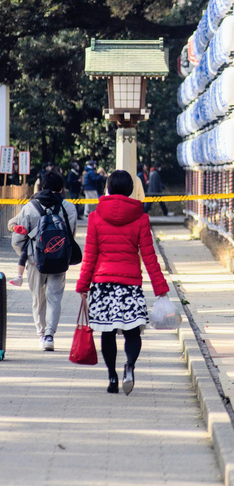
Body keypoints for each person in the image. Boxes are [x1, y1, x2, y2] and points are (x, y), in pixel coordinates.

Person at [76, 169, 169, 395]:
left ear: (107, 188)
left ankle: (112, 377)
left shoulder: (96, 217)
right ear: (130, 190)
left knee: (107, 333)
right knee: (132, 332)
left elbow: (90, 255)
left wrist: (83, 285)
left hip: (103, 284)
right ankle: (130, 366)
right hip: (130, 285)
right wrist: (161, 289)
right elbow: (149, 257)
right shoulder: (140, 218)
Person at [9, 170, 77, 350]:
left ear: (42, 186)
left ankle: (41, 333)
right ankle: (49, 335)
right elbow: (71, 235)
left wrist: (26, 255)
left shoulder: (30, 207)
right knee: (54, 297)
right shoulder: (68, 207)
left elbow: (17, 239)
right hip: (59, 258)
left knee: (38, 298)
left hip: (34, 260)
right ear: (61, 188)